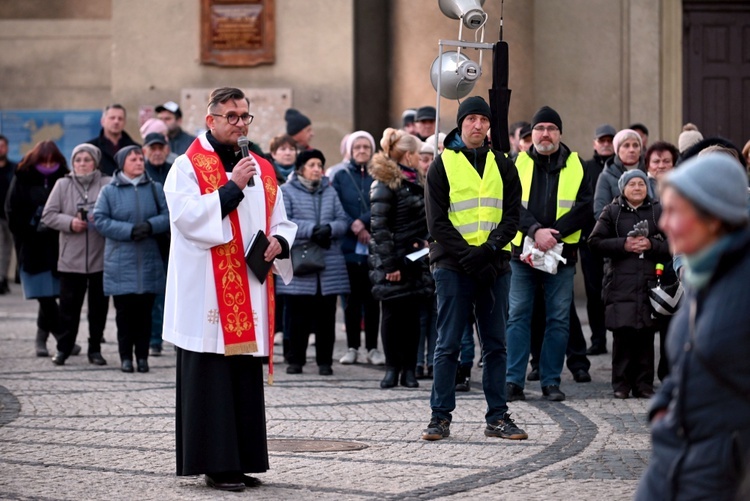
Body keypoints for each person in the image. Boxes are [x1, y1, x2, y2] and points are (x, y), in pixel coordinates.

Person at [162, 87, 297, 492]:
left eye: (244, 116)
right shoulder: (187, 167)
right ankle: (215, 464)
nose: (240, 123)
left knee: (240, 376)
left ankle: (243, 458)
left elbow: (280, 219)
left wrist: (279, 242)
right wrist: (232, 187)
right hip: (205, 292)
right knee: (211, 378)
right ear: (211, 121)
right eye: (232, 116)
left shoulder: (262, 167)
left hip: (247, 288)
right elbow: (187, 219)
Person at [636, 153, 750, 500]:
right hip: (672, 463)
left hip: (723, 475)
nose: (663, 223)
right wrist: (661, 410)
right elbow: (688, 361)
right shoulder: (703, 274)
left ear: (714, 218)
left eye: (676, 212)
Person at [422, 96, 526, 441]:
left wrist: (490, 248)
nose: (478, 125)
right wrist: (467, 253)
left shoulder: (504, 164)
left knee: (496, 344)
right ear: (461, 123)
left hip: (494, 265)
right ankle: (440, 417)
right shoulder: (442, 164)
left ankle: (497, 417)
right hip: (453, 265)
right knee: (449, 343)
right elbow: (437, 223)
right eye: (471, 119)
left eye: (483, 119)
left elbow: (512, 215)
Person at [504, 106, 593, 403]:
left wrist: (553, 234)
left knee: (558, 319)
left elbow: (585, 208)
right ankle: (513, 381)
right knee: (518, 316)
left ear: (560, 133)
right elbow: (510, 205)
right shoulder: (517, 163)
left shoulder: (577, 164)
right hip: (523, 254)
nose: (545, 134)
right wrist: (535, 232)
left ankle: (550, 381)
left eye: (551, 128)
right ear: (531, 135)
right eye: (539, 128)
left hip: (562, 253)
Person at [589, 169, 671, 398]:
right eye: (632, 184)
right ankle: (621, 385)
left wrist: (652, 246)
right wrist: (623, 245)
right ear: (622, 188)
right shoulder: (611, 211)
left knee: (646, 336)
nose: (637, 188)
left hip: (649, 283)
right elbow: (594, 242)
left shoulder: (657, 210)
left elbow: (675, 243)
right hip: (619, 284)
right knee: (623, 336)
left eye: (641, 184)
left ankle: (644, 385)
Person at [94, 145, 169, 373]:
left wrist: (150, 226)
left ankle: (143, 357)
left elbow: (168, 216)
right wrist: (128, 230)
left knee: (145, 313)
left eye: (140, 158)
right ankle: (126, 357)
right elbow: (99, 219)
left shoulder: (155, 188)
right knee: (124, 315)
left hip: (148, 258)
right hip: (120, 261)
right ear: (122, 163)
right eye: (133, 159)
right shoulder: (109, 190)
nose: (139, 162)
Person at [368, 128, 434, 389]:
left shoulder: (417, 181)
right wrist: (390, 264)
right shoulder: (384, 182)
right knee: (392, 315)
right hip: (393, 261)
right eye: (419, 154)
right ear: (408, 155)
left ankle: (408, 370)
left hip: (415, 259)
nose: (421, 159)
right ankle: (391, 367)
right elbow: (380, 227)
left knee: (412, 316)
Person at [277, 149, 350, 375]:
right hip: (301, 261)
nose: (317, 169)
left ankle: (324, 362)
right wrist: (311, 230)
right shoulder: (286, 191)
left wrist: (329, 229)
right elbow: (284, 220)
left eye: (320, 164)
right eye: (312, 165)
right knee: (297, 316)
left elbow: (343, 220)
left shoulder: (329, 191)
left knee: (326, 317)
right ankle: (295, 360)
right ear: (301, 168)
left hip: (328, 263)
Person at [41, 144, 110, 366]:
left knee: (98, 309)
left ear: (96, 162)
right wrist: (70, 222)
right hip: (71, 257)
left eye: (87, 159)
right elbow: (48, 215)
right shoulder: (62, 184)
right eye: (78, 159)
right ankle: (64, 348)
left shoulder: (106, 184)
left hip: (101, 257)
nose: (82, 163)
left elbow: (115, 211)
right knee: (68, 308)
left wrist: (101, 220)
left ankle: (95, 349)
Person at [5, 141, 74, 357]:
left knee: (53, 294)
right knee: (42, 295)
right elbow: (11, 210)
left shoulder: (64, 177)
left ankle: (41, 341)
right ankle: (63, 337)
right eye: (43, 161)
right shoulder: (23, 176)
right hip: (31, 245)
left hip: (57, 244)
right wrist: (30, 228)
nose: (48, 165)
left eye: (52, 161)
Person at [332, 131, 384, 366]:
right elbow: (337, 204)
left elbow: (382, 205)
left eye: (366, 147)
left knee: (373, 300)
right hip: (350, 247)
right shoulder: (341, 176)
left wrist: (362, 222)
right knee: (351, 300)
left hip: (374, 245)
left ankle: (373, 348)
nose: (362, 150)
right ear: (350, 151)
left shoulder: (380, 174)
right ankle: (352, 346)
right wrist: (354, 225)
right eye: (357, 147)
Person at [580, 124, 616, 355]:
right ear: (594, 143)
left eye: (609, 140)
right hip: (590, 241)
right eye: (601, 140)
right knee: (594, 294)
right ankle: (598, 340)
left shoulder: (621, 168)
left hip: (617, 242)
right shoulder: (585, 168)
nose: (605, 144)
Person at [142, 133, 173, 357]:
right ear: (145, 150)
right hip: (150, 240)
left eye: (161, 147)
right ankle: (153, 339)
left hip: (175, 240)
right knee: (153, 294)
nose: (157, 152)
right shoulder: (140, 172)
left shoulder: (175, 169)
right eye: (153, 148)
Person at [594, 128, 646, 219]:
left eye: (635, 145)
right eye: (626, 146)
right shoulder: (606, 176)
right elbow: (600, 211)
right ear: (617, 150)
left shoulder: (649, 171)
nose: (631, 150)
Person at [86, 104, 140, 176]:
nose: (116, 121)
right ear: (102, 121)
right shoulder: (90, 148)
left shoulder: (136, 149)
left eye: (120, 118)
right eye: (112, 118)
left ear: (124, 122)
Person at [0, 134, 18, 294]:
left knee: (9, 249)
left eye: (2, 146)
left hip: (11, 216)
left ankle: (4, 278)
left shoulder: (14, 168)